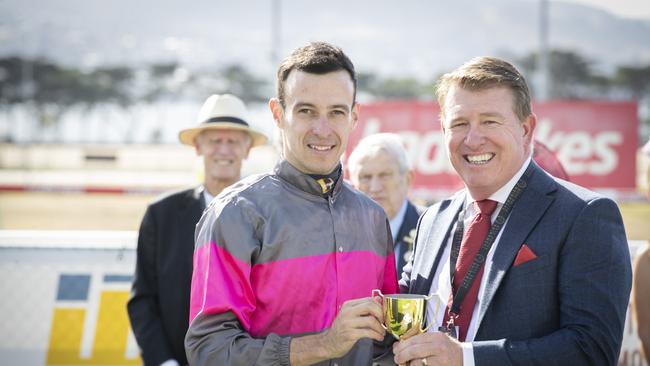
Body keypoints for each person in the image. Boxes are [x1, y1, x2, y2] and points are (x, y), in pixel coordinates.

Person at [393, 56, 632, 366]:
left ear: (526, 129)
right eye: (459, 123)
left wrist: (465, 358)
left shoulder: (585, 216)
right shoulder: (432, 220)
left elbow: (592, 350)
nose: (473, 138)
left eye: (490, 121)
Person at [185, 42, 398, 366]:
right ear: (277, 114)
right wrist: (324, 345)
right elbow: (209, 351)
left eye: (336, 112)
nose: (322, 129)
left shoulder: (373, 218)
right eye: (306, 111)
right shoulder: (235, 214)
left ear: (354, 117)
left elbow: (385, 344)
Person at [127, 93, 267, 366]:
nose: (224, 150)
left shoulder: (268, 216)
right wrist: (164, 362)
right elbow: (143, 300)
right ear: (198, 147)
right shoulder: (161, 215)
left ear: (247, 148)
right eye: (215, 140)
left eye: (233, 141)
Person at [348, 132, 425, 278]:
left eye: (385, 175)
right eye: (365, 177)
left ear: (408, 179)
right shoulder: (341, 234)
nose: (375, 187)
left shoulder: (433, 230)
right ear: (352, 184)